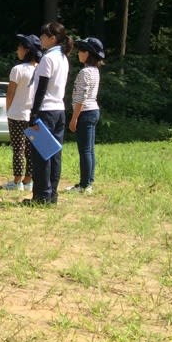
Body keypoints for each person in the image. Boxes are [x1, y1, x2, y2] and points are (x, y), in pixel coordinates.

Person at [25, 21, 72, 205]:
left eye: (44, 36)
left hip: (45, 111)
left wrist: (33, 114)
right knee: (54, 154)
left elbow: (41, 89)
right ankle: (52, 194)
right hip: (59, 110)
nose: (41, 39)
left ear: (53, 38)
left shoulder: (48, 58)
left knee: (41, 155)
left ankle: (41, 196)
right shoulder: (63, 57)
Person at [3, 34, 41, 192]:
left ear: (26, 50)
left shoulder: (17, 69)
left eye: (19, 47)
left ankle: (16, 181)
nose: (17, 50)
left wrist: (8, 109)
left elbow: (10, 92)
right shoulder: (39, 69)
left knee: (18, 148)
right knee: (31, 149)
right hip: (33, 115)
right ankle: (28, 181)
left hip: (17, 115)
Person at [67, 37, 104, 194]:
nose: (79, 53)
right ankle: (88, 182)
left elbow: (81, 97)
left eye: (82, 51)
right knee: (89, 149)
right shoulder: (95, 71)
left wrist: (74, 118)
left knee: (85, 151)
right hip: (93, 110)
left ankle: (84, 185)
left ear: (89, 54)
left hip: (85, 112)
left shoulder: (85, 72)